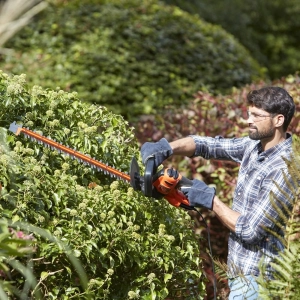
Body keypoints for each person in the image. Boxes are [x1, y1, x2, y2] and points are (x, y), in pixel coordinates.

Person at [140, 87, 296, 299]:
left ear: (278, 120)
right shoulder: (254, 146)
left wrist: (209, 199)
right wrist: (167, 147)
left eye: (256, 116)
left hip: (259, 281)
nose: (248, 120)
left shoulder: (284, 168)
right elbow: (208, 145)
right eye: (249, 113)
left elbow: (251, 230)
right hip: (239, 271)